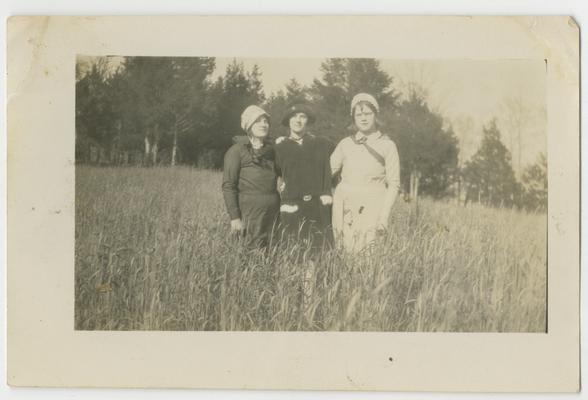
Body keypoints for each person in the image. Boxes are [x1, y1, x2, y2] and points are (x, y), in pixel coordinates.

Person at [330, 93, 400, 253]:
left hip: (373, 205)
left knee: (369, 254)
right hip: (345, 206)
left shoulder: (387, 146)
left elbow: (394, 184)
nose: (363, 118)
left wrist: (384, 216)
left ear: (376, 115)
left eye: (368, 113)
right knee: (344, 252)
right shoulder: (345, 144)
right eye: (359, 114)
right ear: (353, 117)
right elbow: (326, 172)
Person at [274, 101, 334, 250]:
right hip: (291, 207)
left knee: (321, 253)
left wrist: (329, 191)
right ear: (288, 121)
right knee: (294, 252)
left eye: (302, 116)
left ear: (308, 121)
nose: (298, 120)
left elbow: (346, 155)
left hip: (318, 208)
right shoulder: (279, 147)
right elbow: (275, 173)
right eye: (294, 116)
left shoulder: (322, 144)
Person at [222, 105, 280, 249]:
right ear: (248, 125)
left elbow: (285, 172)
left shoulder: (273, 150)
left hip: (273, 211)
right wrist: (234, 217)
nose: (263, 124)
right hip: (249, 211)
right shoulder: (236, 151)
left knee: (273, 251)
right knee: (249, 251)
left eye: (265, 121)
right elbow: (228, 186)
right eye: (258, 121)